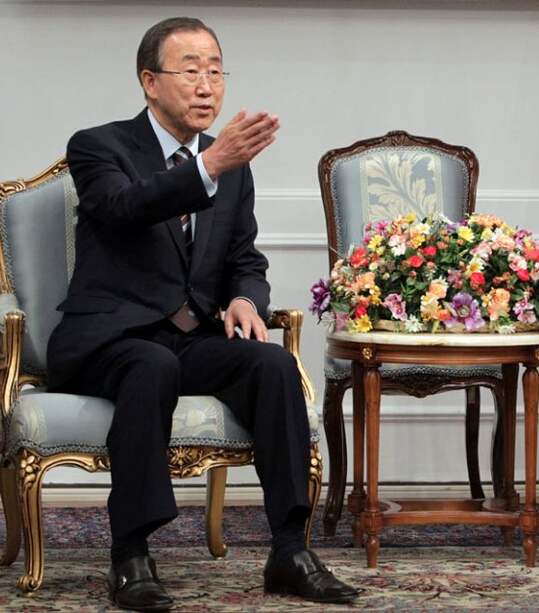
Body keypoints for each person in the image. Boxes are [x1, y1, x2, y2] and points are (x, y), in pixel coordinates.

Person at [47, 17, 359, 611]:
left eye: (216, 71)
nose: (206, 86)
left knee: (271, 366)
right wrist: (207, 167)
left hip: (187, 337)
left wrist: (246, 299)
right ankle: (131, 554)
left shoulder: (231, 168)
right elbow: (121, 208)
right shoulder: (99, 146)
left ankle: (290, 549)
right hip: (110, 340)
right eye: (190, 70)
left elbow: (245, 257)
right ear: (149, 81)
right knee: (150, 365)